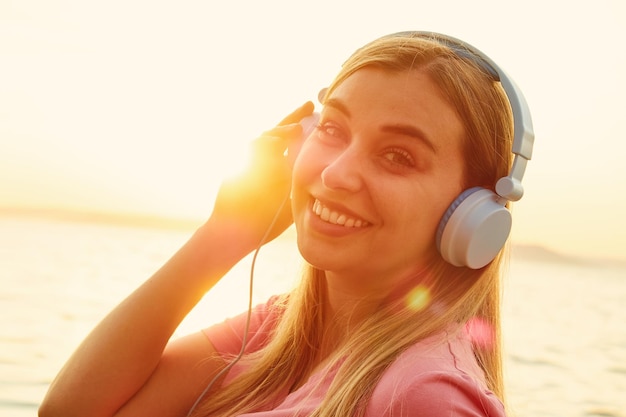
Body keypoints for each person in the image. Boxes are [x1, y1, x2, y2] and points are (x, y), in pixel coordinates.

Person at [39, 31, 533, 417]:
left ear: (472, 215)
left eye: (398, 156)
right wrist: (225, 233)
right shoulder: (279, 331)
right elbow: (72, 410)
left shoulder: (425, 396)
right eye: (334, 130)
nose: (336, 173)